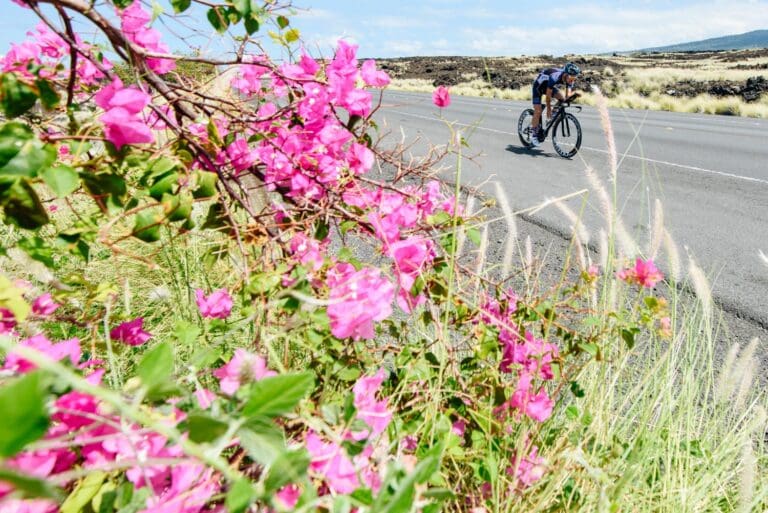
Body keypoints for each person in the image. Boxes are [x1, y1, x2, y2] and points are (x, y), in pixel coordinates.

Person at [529, 62, 580, 147]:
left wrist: (574, 96)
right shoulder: (555, 77)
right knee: (538, 111)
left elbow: (567, 96)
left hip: (549, 86)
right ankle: (534, 135)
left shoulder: (570, 80)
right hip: (538, 86)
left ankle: (552, 116)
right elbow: (548, 97)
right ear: (565, 74)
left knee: (562, 98)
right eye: (571, 77)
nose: (572, 80)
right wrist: (548, 109)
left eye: (575, 78)